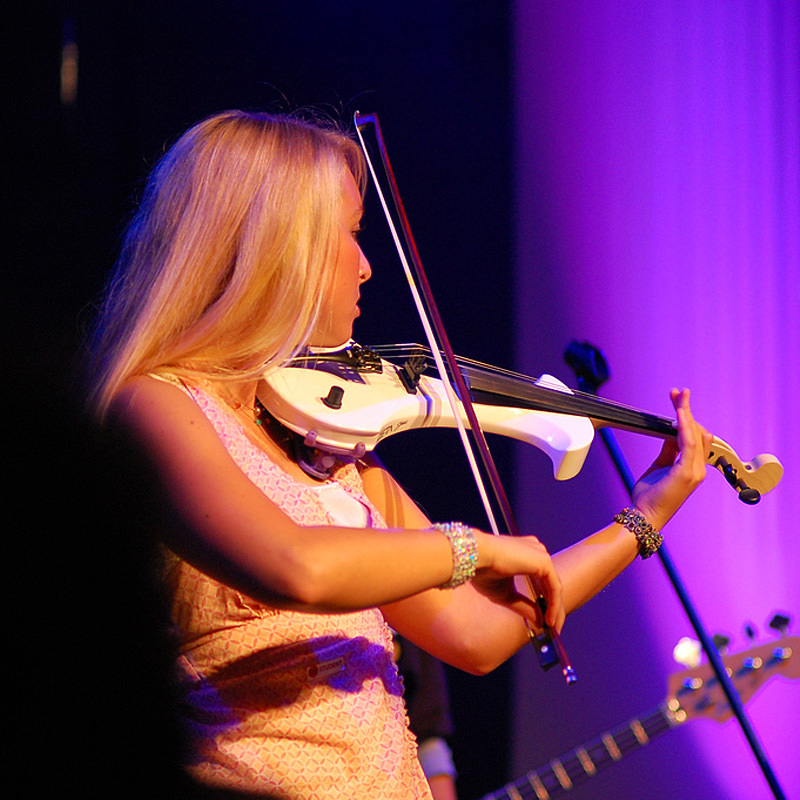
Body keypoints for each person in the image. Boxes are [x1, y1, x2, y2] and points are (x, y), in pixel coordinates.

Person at [86, 109, 712, 800]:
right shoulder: (154, 406)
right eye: (352, 234)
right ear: (278, 246)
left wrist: (643, 520)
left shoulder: (327, 446)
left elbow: (477, 634)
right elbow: (297, 566)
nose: (367, 266)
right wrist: (475, 547)